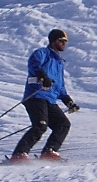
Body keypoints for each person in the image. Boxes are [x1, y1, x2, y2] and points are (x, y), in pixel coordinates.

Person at [9, 29, 80, 162]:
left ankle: (49, 151)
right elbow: (34, 65)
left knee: (63, 124)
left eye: (65, 42)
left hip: (50, 99)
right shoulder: (42, 53)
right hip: (36, 96)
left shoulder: (59, 62)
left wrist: (68, 101)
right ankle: (19, 154)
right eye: (61, 41)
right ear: (53, 41)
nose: (64, 44)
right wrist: (43, 77)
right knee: (40, 126)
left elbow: (59, 86)